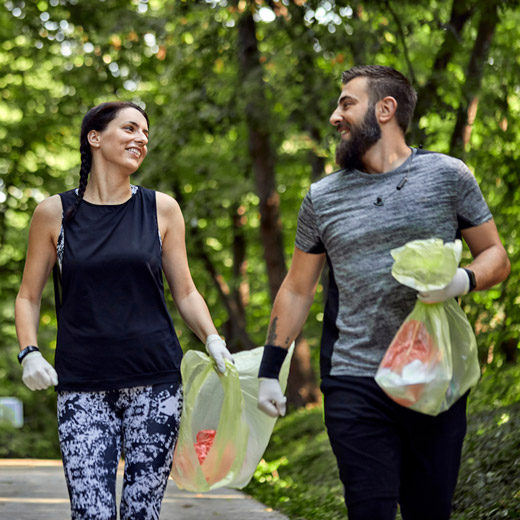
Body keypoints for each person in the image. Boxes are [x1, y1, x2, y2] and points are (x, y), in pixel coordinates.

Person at [256, 65, 510, 520]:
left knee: (428, 510)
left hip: (433, 374)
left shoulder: (448, 175)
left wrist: (462, 281)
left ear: (385, 109)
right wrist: (267, 372)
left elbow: (495, 254)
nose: (335, 116)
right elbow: (297, 289)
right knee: (368, 508)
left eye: (346, 103)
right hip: (355, 378)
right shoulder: (322, 197)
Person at [15, 101, 234, 520]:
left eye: (146, 133)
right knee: (91, 514)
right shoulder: (54, 214)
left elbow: (185, 291)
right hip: (81, 387)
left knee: (141, 513)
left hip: (156, 385)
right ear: (94, 138)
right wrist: (30, 352)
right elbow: (28, 296)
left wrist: (213, 339)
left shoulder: (161, 209)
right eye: (130, 128)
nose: (142, 139)